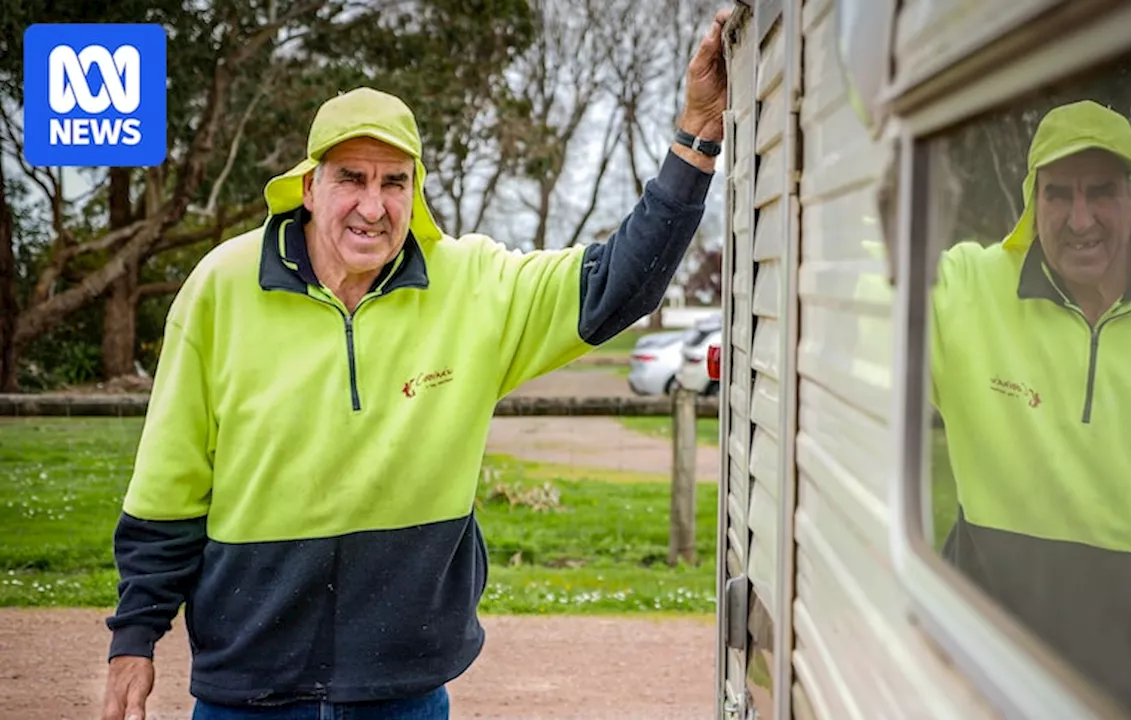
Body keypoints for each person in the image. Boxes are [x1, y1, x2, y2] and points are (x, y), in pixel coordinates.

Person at [98, 8, 734, 720]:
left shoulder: (474, 285)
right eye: (351, 178)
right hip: (248, 686)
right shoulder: (220, 288)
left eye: (394, 181)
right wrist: (135, 637)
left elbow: (617, 284)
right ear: (308, 186)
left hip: (403, 687)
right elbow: (168, 483)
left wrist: (697, 138)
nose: (373, 205)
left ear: (416, 190)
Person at [930, 100, 1131, 718]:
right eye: (1059, 195)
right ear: (1033, 204)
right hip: (987, 687)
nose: (1081, 220)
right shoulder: (967, 289)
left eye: (1101, 192)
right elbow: (851, 274)